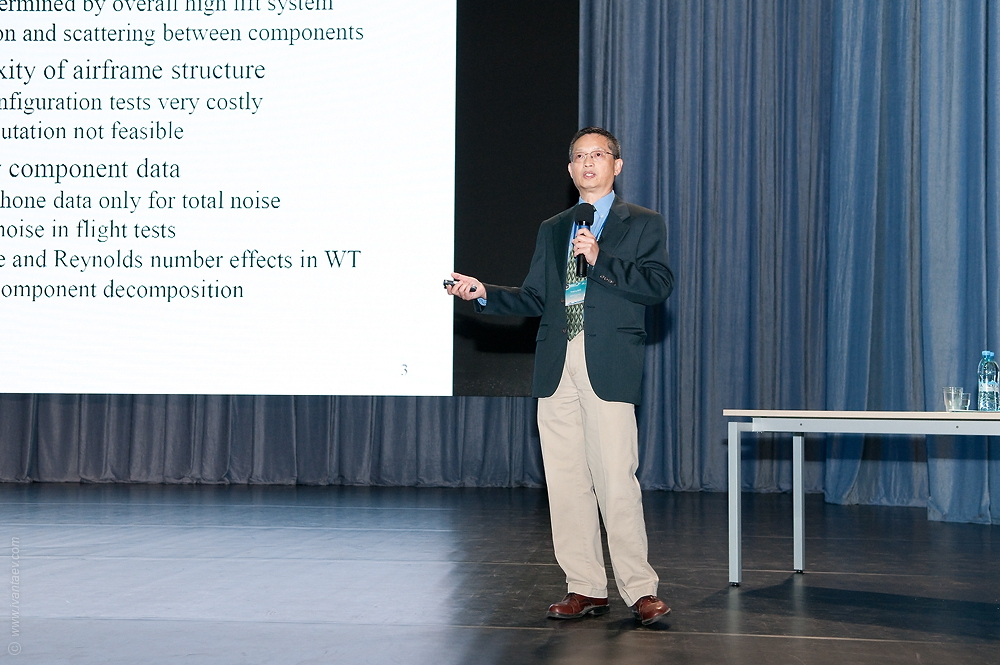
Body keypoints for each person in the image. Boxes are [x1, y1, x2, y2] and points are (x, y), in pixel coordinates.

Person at [446, 127, 674, 625]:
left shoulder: (642, 222)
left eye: (598, 155)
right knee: (566, 482)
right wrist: (484, 293)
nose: (588, 163)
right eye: (579, 157)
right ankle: (585, 587)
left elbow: (658, 286)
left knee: (615, 480)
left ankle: (640, 590)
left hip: (607, 361)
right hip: (556, 362)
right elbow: (534, 297)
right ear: (570, 171)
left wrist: (600, 259)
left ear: (616, 165)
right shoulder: (554, 228)